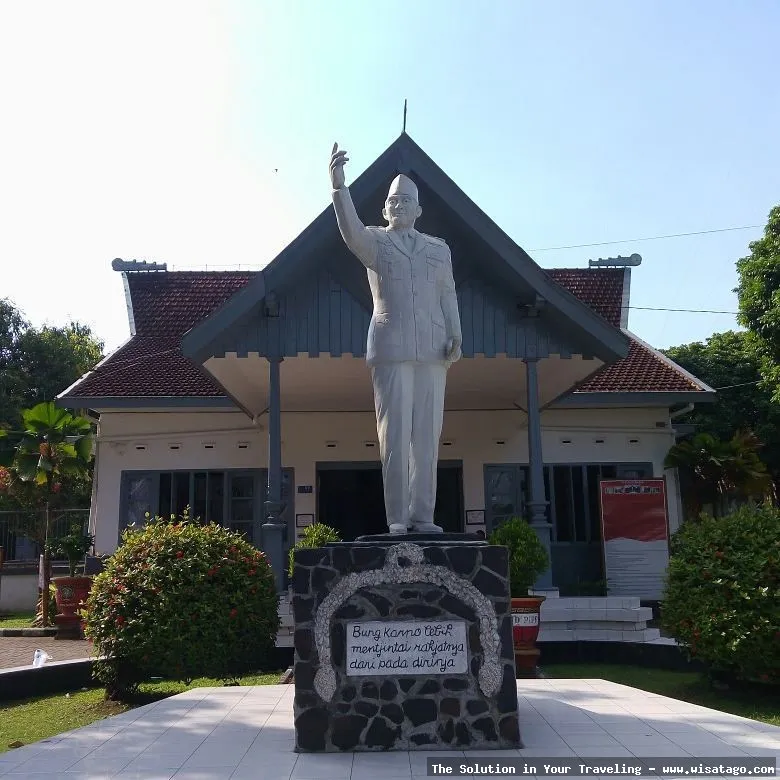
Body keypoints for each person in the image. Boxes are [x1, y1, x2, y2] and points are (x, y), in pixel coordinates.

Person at [329, 143, 462, 534]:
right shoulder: (375, 242)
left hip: (433, 349)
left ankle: (423, 516)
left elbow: (448, 293)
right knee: (395, 434)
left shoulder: (439, 249)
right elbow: (350, 232)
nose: (399, 205)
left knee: (427, 437)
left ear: (418, 210)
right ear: (384, 210)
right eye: (392, 201)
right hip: (391, 347)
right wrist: (339, 188)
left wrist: (455, 332)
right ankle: (398, 518)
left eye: (406, 201)